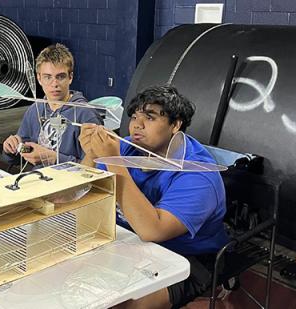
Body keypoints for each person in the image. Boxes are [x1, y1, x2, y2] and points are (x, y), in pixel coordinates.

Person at [79, 85, 229, 309]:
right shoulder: (131, 147)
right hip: (129, 242)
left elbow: (153, 230)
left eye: (149, 117)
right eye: (134, 116)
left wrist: (113, 161)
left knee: (126, 304)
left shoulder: (198, 173)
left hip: (187, 257)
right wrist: (91, 153)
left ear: (175, 124)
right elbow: (84, 193)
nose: (137, 125)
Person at [2, 43, 102, 170]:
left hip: (70, 186)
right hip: (39, 183)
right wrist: (10, 148)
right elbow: (17, 158)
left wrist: (52, 157)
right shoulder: (35, 110)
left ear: (70, 77)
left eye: (60, 77)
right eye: (47, 77)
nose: (54, 84)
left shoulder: (86, 115)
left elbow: (95, 169)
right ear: (39, 79)